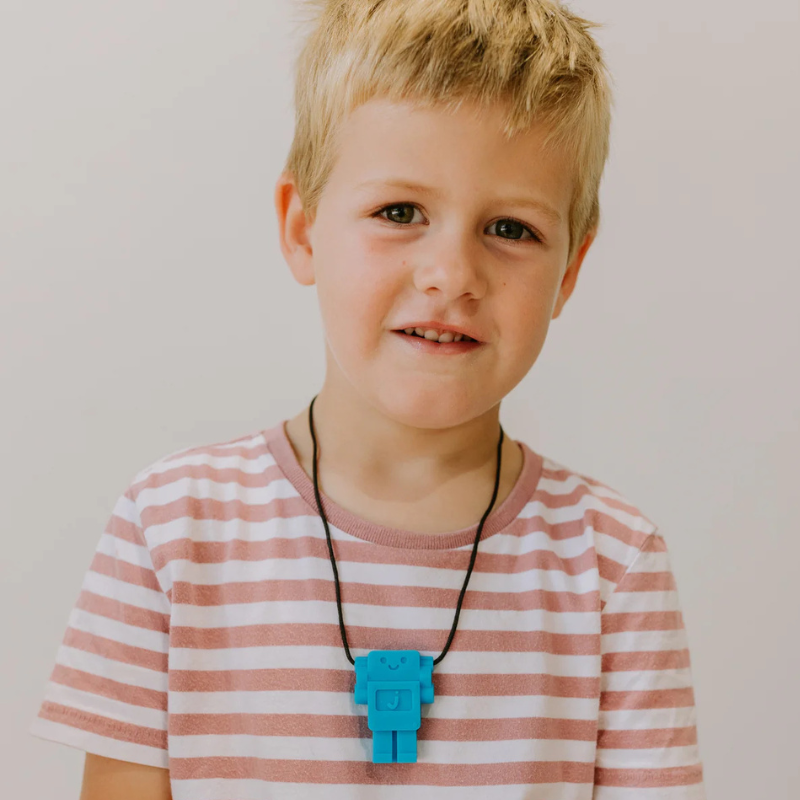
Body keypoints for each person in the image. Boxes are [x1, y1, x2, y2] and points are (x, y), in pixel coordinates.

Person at [29, 0, 706, 797]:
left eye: (510, 229)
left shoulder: (612, 561)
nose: (451, 275)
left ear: (570, 270)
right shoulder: (170, 527)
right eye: (400, 213)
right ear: (303, 229)